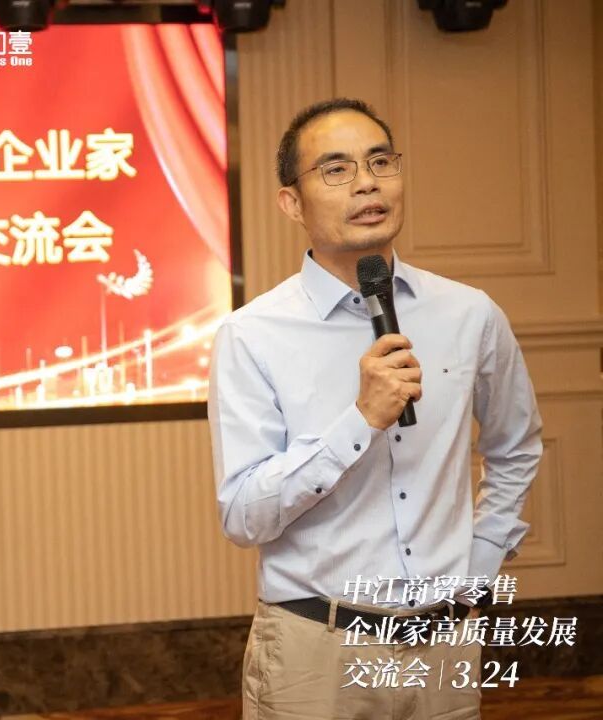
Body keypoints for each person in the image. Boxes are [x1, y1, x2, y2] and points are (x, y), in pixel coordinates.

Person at [207, 98, 542, 719]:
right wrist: (359, 421)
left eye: (380, 162)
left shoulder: (469, 313)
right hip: (315, 651)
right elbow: (243, 517)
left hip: (442, 645)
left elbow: (515, 445)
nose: (367, 183)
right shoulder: (252, 334)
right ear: (292, 203)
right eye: (336, 169)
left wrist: (480, 561)